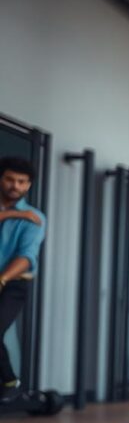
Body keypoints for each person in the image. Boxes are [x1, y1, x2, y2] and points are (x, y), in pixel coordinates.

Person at [0, 157, 45, 402]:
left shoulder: (35, 218)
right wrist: (7, 216)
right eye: (10, 179)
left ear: (28, 185)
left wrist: (3, 278)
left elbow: (27, 256)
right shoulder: (22, 215)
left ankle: (10, 381)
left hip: (14, 284)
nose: (15, 186)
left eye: (21, 182)